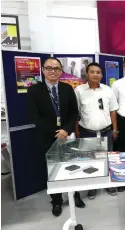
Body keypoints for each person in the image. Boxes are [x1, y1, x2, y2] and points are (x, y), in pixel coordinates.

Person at [28, 57, 84, 217]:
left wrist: (65, 130)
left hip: (67, 135)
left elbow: (74, 112)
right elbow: (34, 117)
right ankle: (57, 201)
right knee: (53, 170)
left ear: (61, 71)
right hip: (46, 137)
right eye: (49, 68)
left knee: (73, 167)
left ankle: (76, 196)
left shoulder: (67, 89)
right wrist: (55, 132)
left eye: (56, 69)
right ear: (43, 70)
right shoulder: (34, 91)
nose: (53, 71)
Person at [74, 62, 119, 199]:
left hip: (106, 131)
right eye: (92, 72)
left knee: (109, 159)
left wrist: (115, 130)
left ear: (101, 74)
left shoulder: (108, 90)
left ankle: (109, 184)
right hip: (87, 132)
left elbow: (113, 112)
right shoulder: (79, 91)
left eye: (98, 72)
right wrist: (77, 132)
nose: (95, 74)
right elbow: (76, 113)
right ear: (87, 74)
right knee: (90, 160)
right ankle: (92, 187)